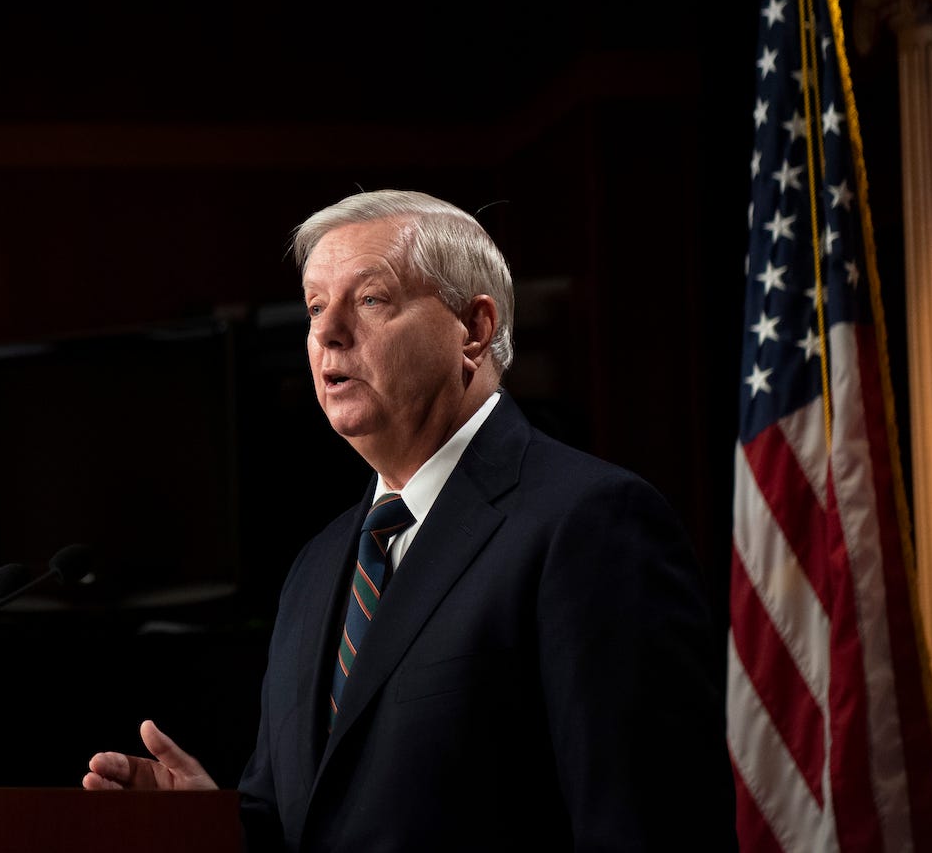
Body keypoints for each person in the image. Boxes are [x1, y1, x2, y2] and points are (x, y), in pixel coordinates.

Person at [82, 191, 730, 852]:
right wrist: (210, 824)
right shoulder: (315, 566)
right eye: (313, 306)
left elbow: (647, 827)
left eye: (369, 300)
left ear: (473, 330)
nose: (327, 332)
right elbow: (307, 821)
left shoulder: (590, 523)